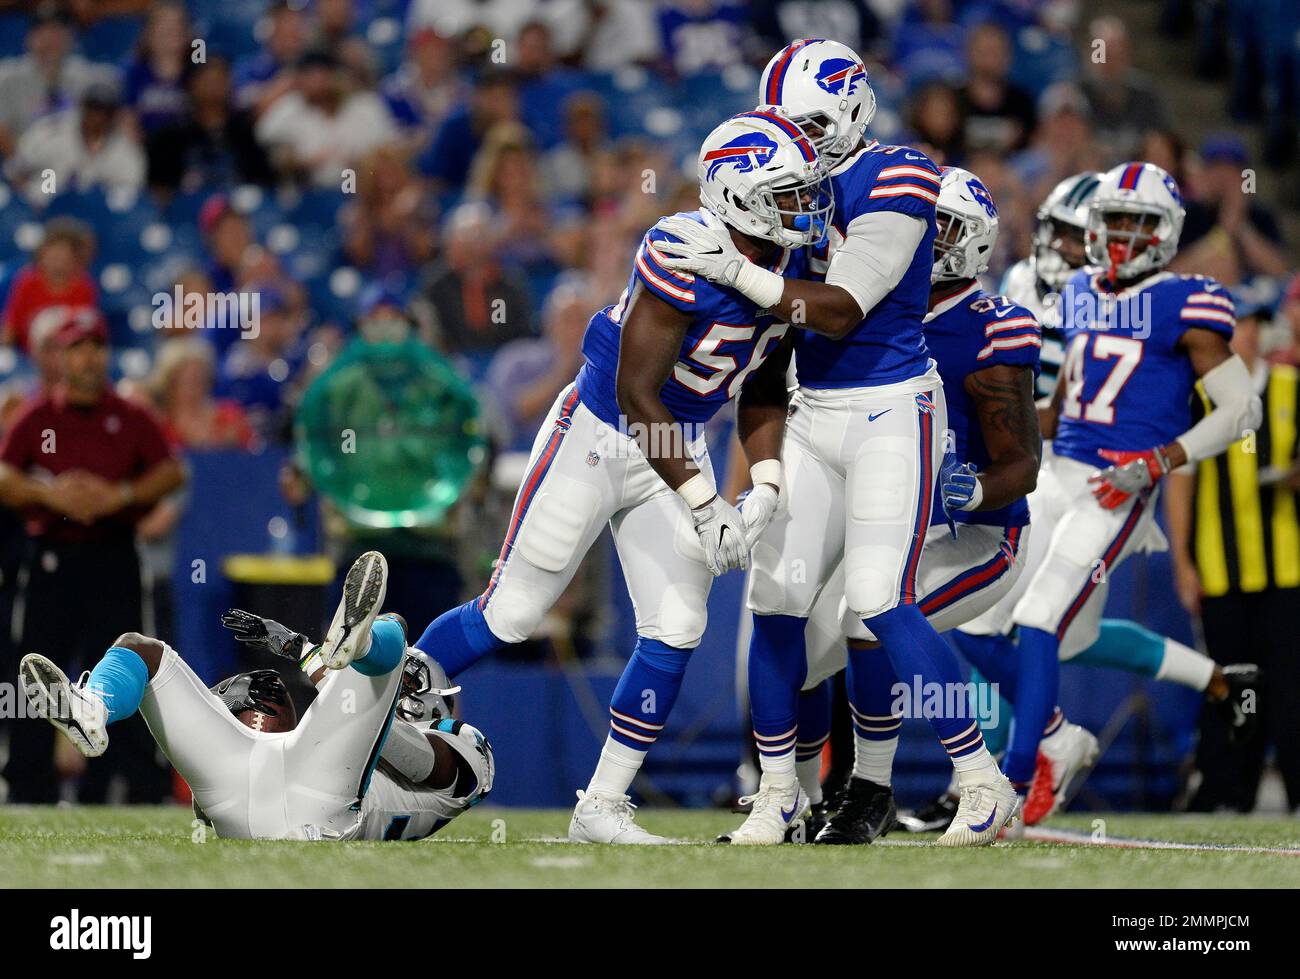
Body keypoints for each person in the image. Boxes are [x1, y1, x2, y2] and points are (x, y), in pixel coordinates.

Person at [412, 110, 829, 844]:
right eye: (788, 193)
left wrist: (765, 481)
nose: (806, 209)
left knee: (679, 622)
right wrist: (702, 499)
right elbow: (639, 394)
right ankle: (387, 699)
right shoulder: (682, 246)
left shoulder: (792, 265)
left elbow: (767, 381)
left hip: (679, 439)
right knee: (511, 611)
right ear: (738, 193)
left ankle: (599, 805)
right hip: (600, 433)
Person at [655, 38, 1018, 846]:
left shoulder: (899, 173)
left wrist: (742, 273)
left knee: (881, 598)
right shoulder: (783, 175)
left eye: (812, 123)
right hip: (810, 411)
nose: (799, 140)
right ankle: (779, 793)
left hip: (893, 408)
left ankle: (981, 778)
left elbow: (844, 305)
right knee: (774, 601)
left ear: (855, 110)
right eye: (787, 123)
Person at [948, 161, 1263, 826]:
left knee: (1038, 620)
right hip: (1059, 472)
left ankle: (1010, 781)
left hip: (1116, 485)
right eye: (1113, 219)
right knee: (975, 620)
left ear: (1166, 231)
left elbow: (1240, 410)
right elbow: (1069, 398)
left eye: (1136, 222)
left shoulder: (1188, 300)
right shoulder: (1084, 290)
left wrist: (1159, 459)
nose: (1120, 234)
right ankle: (1062, 741)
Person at [791, 167, 1042, 845]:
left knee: (871, 620)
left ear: (974, 242)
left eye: (943, 231)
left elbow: (1024, 463)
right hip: (898, 530)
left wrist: (978, 489)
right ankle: (799, 795)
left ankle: (894, 786)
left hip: (977, 537)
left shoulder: (990, 327)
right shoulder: (870, 307)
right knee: (803, 646)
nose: (926, 243)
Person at [19, 552, 493, 841]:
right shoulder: (357, 718)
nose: (398, 688)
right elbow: (348, 702)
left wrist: (361, 687)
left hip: (319, 808)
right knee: (142, 652)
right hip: (243, 786)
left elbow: (418, 761)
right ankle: (93, 709)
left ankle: (368, 640)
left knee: (389, 628)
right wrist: (294, 645)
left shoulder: (468, 750)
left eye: (406, 682)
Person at [0, 309, 187, 802]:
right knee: (35, 669)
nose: (87, 357)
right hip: (52, 557)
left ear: (105, 354)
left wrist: (119, 496)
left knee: (123, 663)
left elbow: (171, 473)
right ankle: (26, 786)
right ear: (60, 357)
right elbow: (4, 475)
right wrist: (51, 496)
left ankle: (139, 787)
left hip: (112, 554)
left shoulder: (129, 416)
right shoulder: (38, 415)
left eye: (95, 347)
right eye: (77, 347)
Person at [1167, 298, 1300, 813]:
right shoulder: (1201, 397)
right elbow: (1182, 483)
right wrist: (1182, 561)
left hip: (1287, 567)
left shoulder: (1291, 386)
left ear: (1260, 332)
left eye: (1243, 326)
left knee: (1289, 684)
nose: (1236, 338)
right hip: (1220, 568)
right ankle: (1228, 792)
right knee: (1229, 683)